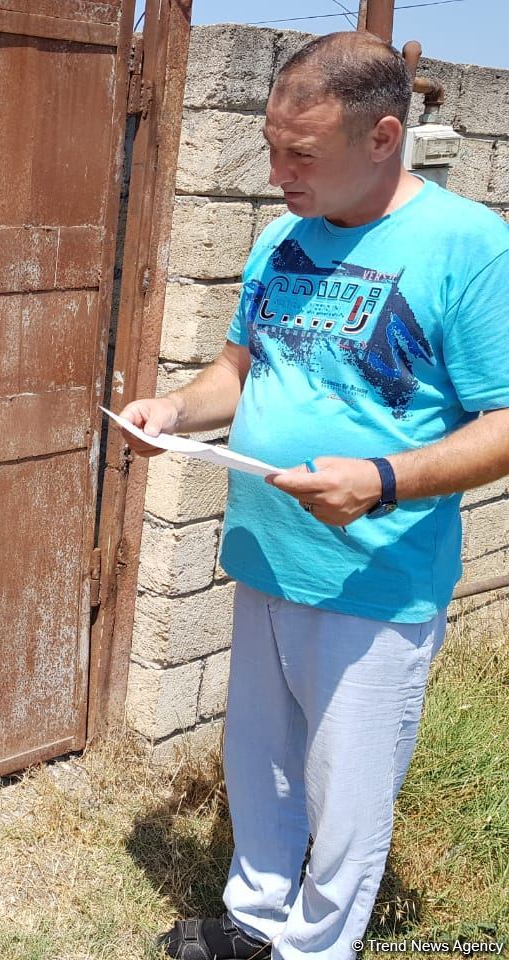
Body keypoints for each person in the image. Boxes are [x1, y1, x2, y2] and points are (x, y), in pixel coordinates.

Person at [119, 32, 509, 960]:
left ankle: (316, 946)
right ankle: (256, 918)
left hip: (375, 578)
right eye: (270, 145)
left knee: (347, 790)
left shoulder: (471, 247)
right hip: (267, 555)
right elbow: (241, 369)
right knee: (261, 766)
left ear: (382, 138)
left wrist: (381, 480)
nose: (278, 170)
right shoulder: (280, 238)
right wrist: (178, 406)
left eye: (302, 153)